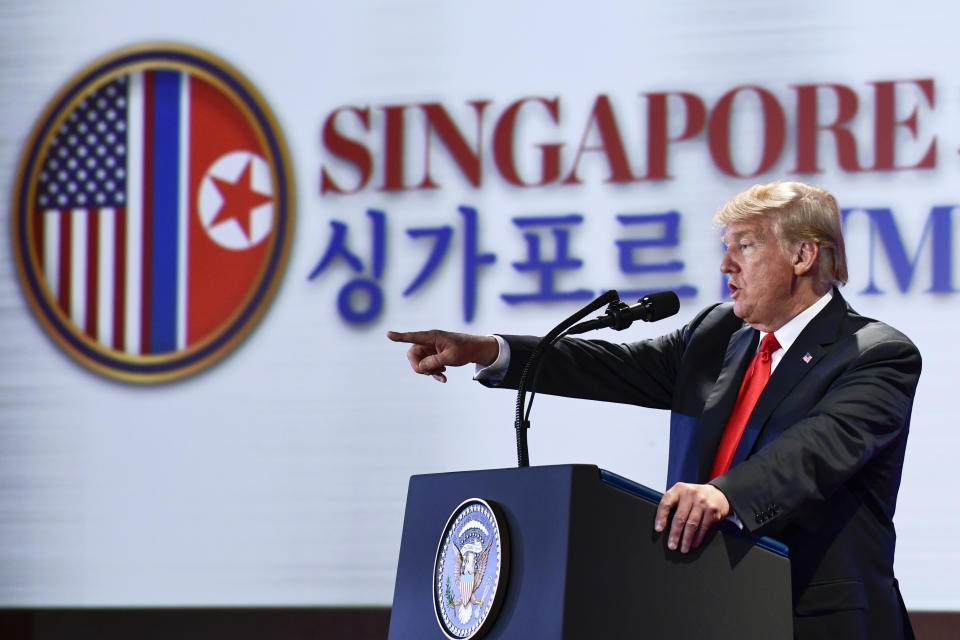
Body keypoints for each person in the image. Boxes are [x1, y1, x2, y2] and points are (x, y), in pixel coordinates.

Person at [388, 181, 920, 639]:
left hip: (812, 617)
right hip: (701, 607)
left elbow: (816, 450)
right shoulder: (720, 335)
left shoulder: (875, 354)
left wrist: (723, 494)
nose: (725, 265)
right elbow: (612, 366)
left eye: (745, 246)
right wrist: (488, 349)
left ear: (803, 256)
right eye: (726, 246)